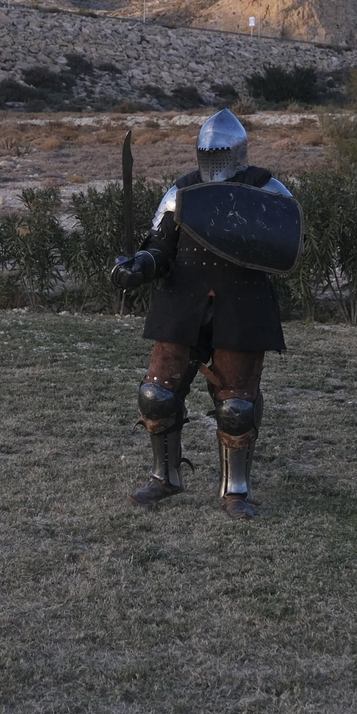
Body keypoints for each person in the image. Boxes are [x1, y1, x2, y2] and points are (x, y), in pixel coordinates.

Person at [110, 109, 302, 520]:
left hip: (241, 305)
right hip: (184, 302)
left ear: (238, 153)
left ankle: (236, 491)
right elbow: (160, 246)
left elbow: (283, 245)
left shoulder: (267, 190)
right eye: (207, 154)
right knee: (156, 395)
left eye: (220, 154)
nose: (214, 162)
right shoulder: (183, 192)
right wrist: (139, 265)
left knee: (237, 406)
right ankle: (165, 477)